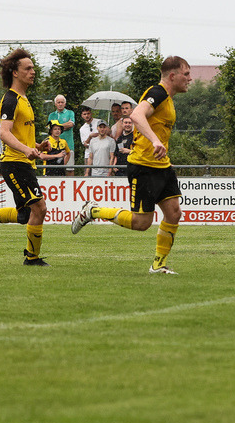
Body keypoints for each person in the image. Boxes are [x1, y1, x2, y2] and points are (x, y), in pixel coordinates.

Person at [71, 56, 193, 274]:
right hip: (144, 166)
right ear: (172, 76)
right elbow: (137, 114)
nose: (190, 79)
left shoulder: (168, 98)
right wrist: (155, 140)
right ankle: (93, 210)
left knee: (174, 213)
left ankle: (158, 265)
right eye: (186, 74)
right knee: (141, 222)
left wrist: (158, 143)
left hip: (162, 165)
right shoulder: (158, 93)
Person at [0, 49, 62, 265]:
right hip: (14, 164)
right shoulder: (10, 99)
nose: (33, 71)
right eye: (28, 68)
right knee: (40, 207)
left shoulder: (24, 99)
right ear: (15, 73)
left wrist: (36, 145)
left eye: (33, 67)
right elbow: (5, 132)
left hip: (24, 162)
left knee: (25, 215)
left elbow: (18, 133)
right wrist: (26, 150)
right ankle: (32, 258)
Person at [47, 95, 76, 174]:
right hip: (53, 147)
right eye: (58, 102)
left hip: (68, 146)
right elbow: (50, 129)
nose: (60, 104)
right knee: (54, 169)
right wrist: (64, 126)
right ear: (55, 104)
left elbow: (71, 124)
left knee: (69, 170)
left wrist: (57, 126)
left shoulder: (70, 113)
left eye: (62, 102)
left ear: (65, 104)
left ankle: (70, 186)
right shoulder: (51, 115)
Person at [77, 106, 104, 176]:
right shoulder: (82, 129)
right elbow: (85, 144)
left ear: (91, 114)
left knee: (101, 172)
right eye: (85, 114)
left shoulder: (99, 122)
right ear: (82, 115)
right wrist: (90, 136)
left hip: (101, 152)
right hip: (88, 154)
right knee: (87, 174)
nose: (87, 116)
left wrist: (98, 134)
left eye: (88, 113)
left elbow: (106, 132)